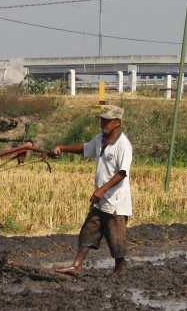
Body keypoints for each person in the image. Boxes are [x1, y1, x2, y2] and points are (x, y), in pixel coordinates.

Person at [53, 105, 133, 277]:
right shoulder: (100, 139)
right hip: (100, 199)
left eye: (106, 121)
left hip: (116, 201)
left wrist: (102, 190)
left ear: (117, 122)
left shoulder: (123, 145)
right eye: (101, 120)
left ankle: (119, 269)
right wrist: (62, 148)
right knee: (88, 232)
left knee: (116, 239)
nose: (102, 123)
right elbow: (84, 149)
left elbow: (122, 173)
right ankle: (76, 266)